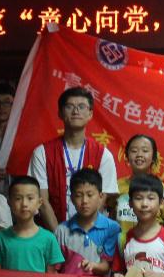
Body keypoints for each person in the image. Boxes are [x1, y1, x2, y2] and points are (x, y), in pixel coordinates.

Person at [28, 87, 118, 231]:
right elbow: (42, 201)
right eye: (69, 106)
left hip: (91, 234)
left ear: (90, 114)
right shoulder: (42, 152)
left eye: (81, 107)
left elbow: (102, 200)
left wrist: (83, 234)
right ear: (60, 113)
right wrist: (60, 237)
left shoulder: (103, 154)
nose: (76, 111)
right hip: (51, 235)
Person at [0, 176, 65, 273]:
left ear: (39, 202)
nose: (24, 204)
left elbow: (51, 276)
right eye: (18, 198)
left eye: (30, 198)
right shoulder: (0, 238)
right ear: (9, 202)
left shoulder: (49, 239)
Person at [55, 168, 121, 277]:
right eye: (78, 195)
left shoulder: (112, 228)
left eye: (90, 195)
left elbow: (107, 266)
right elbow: (55, 269)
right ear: (72, 199)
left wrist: (93, 266)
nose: (84, 201)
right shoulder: (61, 231)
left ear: (100, 197)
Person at [114, 175, 164, 277]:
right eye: (138, 198)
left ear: (161, 203)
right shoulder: (122, 240)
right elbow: (119, 272)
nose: (144, 204)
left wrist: (161, 276)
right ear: (130, 203)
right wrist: (118, 276)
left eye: (151, 198)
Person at [114, 134, 164, 236]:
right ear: (127, 156)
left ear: (154, 157)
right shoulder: (116, 186)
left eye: (145, 151)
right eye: (134, 151)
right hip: (121, 243)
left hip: (153, 244)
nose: (139, 154)